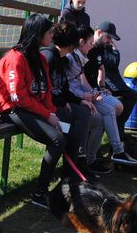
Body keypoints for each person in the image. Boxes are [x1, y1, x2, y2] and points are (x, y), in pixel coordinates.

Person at [0, 14, 83, 208]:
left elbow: (46, 92)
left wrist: (52, 113)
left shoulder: (40, 58)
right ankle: (39, 193)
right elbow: (18, 97)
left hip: (34, 109)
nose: (53, 35)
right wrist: (48, 116)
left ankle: (69, 183)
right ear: (38, 34)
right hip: (14, 110)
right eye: (49, 32)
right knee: (57, 139)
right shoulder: (15, 58)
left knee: (71, 130)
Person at [66, 26, 137, 170]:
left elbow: (98, 71)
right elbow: (69, 85)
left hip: (86, 95)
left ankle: (91, 160)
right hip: (74, 101)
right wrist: (85, 96)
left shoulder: (82, 55)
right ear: (81, 42)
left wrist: (97, 90)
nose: (91, 45)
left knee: (112, 110)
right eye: (90, 43)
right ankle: (116, 151)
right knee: (107, 113)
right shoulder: (72, 58)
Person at [40, 21, 104, 182]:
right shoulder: (49, 57)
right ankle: (70, 168)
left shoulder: (63, 60)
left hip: (57, 102)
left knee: (82, 113)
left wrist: (78, 100)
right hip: (45, 106)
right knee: (69, 124)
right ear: (69, 45)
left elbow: (64, 87)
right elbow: (44, 91)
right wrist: (63, 103)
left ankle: (74, 166)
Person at [84, 21, 137, 149]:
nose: (110, 41)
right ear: (98, 32)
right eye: (108, 37)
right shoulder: (86, 47)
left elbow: (101, 69)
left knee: (120, 105)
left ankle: (116, 144)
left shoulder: (100, 49)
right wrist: (93, 92)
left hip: (95, 91)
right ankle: (113, 149)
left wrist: (102, 88)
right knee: (107, 112)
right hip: (83, 92)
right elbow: (79, 74)